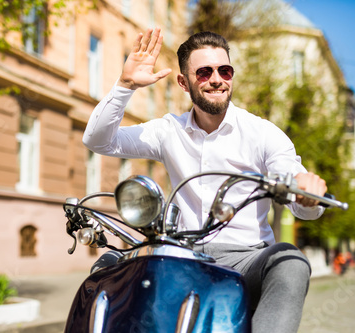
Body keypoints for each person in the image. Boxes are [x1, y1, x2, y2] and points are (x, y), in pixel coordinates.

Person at [82, 28, 328, 333]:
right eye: (204, 72)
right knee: (110, 265)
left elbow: (295, 186)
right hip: (181, 255)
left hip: (246, 257)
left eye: (225, 70)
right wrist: (125, 85)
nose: (216, 79)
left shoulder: (263, 133)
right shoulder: (168, 130)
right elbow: (98, 141)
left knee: (290, 260)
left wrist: (306, 192)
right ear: (184, 83)